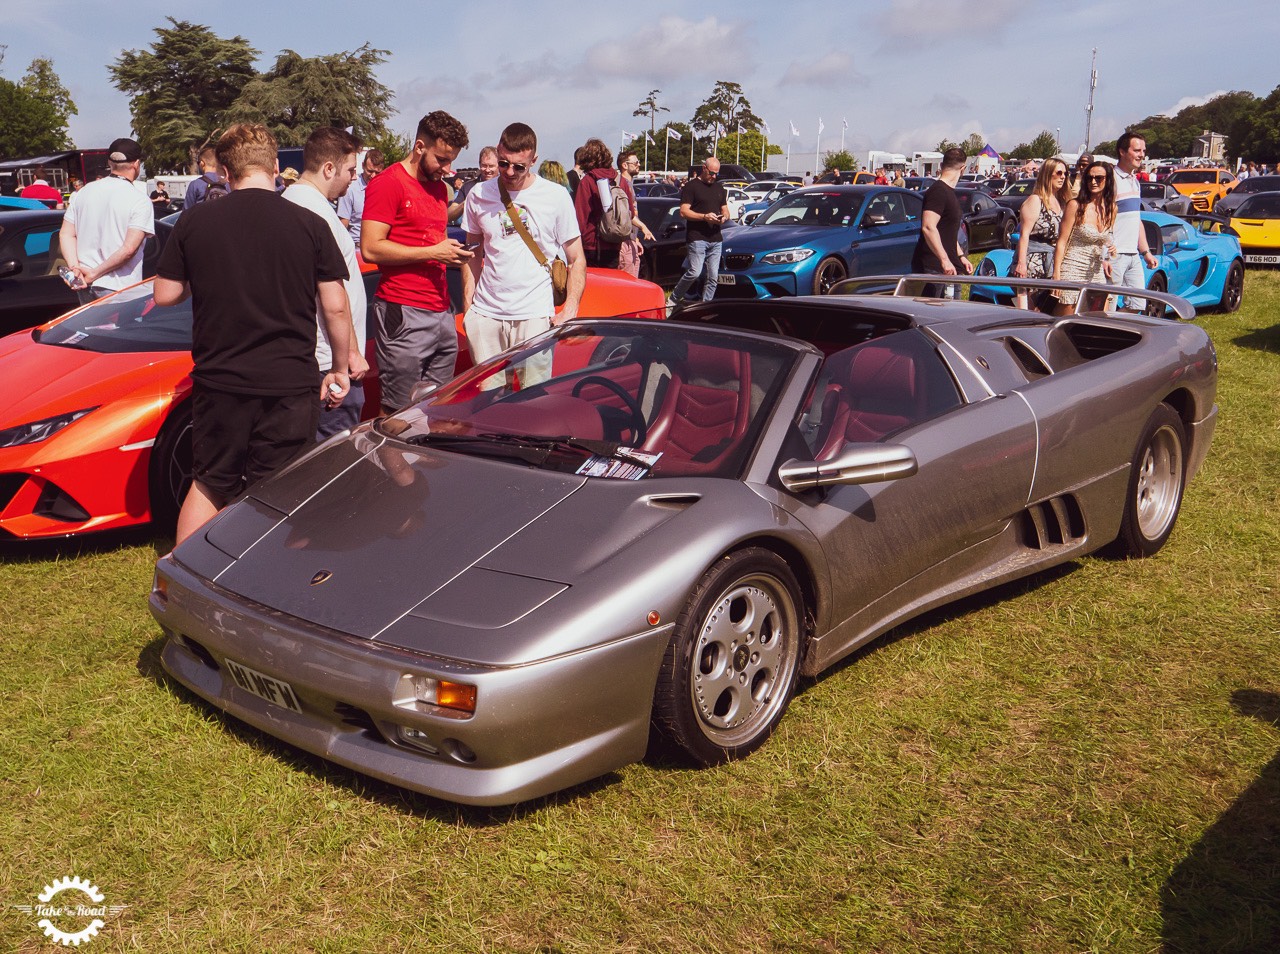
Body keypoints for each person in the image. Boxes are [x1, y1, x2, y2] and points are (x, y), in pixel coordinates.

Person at [153, 123, 352, 545]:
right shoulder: (310, 222)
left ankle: (182, 575)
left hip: (220, 378)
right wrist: (339, 367)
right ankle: (270, 587)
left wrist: (201, 274)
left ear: (224, 172)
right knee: (285, 489)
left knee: (209, 482)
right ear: (277, 166)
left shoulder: (195, 221)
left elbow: (165, 294)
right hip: (290, 381)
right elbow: (335, 304)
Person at [360, 110, 473, 414]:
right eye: (442, 159)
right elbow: (370, 249)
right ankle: (386, 462)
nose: (448, 169)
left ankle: (417, 462)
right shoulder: (388, 183)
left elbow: (426, 237)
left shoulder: (438, 187)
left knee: (434, 409)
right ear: (420, 147)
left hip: (441, 310)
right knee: (398, 412)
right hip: (404, 311)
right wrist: (433, 252)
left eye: (451, 160)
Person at [461, 121, 585, 381]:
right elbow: (473, 252)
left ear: (534, 161)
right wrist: (468, 308)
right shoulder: (478, 194)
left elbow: (576, 258)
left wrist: (571, 308)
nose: (509, 172)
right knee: (489, 401)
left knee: (531, 401)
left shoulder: (555, 196)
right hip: (486, 314)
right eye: (504, 163)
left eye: (519, 166)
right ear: (498, 151)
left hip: (533, 315)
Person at [284, 127, 371, 438]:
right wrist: (349, 354)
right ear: (328, 168)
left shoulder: (291, 202)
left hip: (316, 356)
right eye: (350, 170)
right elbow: (332, 298)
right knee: (335, 461)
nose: (352, 178)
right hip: (328, 361)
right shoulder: (316, 213)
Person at [58, 137, 155, 305]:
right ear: (137, 164)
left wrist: (75, 270)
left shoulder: (84, 192)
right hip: (121, 288)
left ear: (109, 162)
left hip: (84, 284)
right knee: (121, 332)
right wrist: (95, 273)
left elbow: (66, 234)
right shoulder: (139, 200)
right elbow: (129, 249)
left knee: (91, 331)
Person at [1052, 160, 1117, 315]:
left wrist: (1109, 252)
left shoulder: (1111, 209)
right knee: (1066, 323)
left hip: (1096, 271)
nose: (1093, 182)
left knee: (1099, 320)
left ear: (1107, 181)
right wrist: (1056, 275)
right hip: (1072, 268)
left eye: (1098, 178)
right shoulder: (1076, 205)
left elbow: (1106, 239)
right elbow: (1061, 242)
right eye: (1089, 178)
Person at [669, 156, 729, 311]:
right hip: (697, 238)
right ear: (704, 168)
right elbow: (683, 212)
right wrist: (704, 216)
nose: (714, 176)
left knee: (713, 276)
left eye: (716, 174)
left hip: (715, 238)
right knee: (695, 272)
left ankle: (705, 306)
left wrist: (724, 218)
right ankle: (673, 299)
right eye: (711, 173)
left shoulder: (719, 188)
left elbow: (725, 210)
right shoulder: (691, 186)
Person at [911, 147, 972, 296]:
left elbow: (947, 232)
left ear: (941, 166)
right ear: (963, 168)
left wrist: (961, 256)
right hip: (935, 269)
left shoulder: (948, 192)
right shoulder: (938, 191)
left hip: (949, 268)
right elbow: (928, 227)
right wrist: (944, 260)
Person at [1011, 157, 1070, 310]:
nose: (1063, 176)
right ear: (1047, 174)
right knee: (1029, 309)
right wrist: (1021, 264)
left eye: (1065, 173)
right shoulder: (1036, 200)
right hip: (1033, 260)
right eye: (1058, 173)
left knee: (1046, 307)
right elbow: (1024, 235)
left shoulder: (1061, 202)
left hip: (1052, 259)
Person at [1112, 131, 1159, 313]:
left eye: (1143, 151)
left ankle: (1113, 335)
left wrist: (1146, 252)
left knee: (1137, 304)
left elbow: (1136, 219)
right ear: (1122, 152)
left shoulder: (1135, 181)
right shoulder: (1111, 180)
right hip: (1114, 254)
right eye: (1137, 150)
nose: (1142, 155)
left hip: (1133, 255)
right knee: (1106, 304)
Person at [574, 138, 635, 269]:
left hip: (592, 243)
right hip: (615, 242)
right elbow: (631, 212)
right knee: (611, 283)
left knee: (593, 285)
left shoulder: (588, 181)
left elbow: (580, 217)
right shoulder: (620, 181)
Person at [616, 150, 655, 278]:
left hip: (630, 239)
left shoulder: (629, 185)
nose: (639, 164)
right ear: (625, 165)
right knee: (626, 280)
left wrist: (635, 238)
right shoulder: (622, 185)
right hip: (624, 240)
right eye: (636, 162)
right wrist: (643, 227)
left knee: (633, 277)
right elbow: (626, 215)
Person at [336, 148, 384, 246]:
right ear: (362, 166)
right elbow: (342, 225)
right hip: (356, 245)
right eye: (370, 171)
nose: (373, 176)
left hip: (380, 245)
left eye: (377, 172)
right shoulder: (350, 190)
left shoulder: (386, 189)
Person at [447, 146, 497, 222]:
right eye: (484, 165)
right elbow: (449, 216)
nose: (487, 170)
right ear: (479, 165)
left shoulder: (506, 186)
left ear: (499, 166)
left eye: (491, 166)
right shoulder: (469, 187)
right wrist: (467, 202)